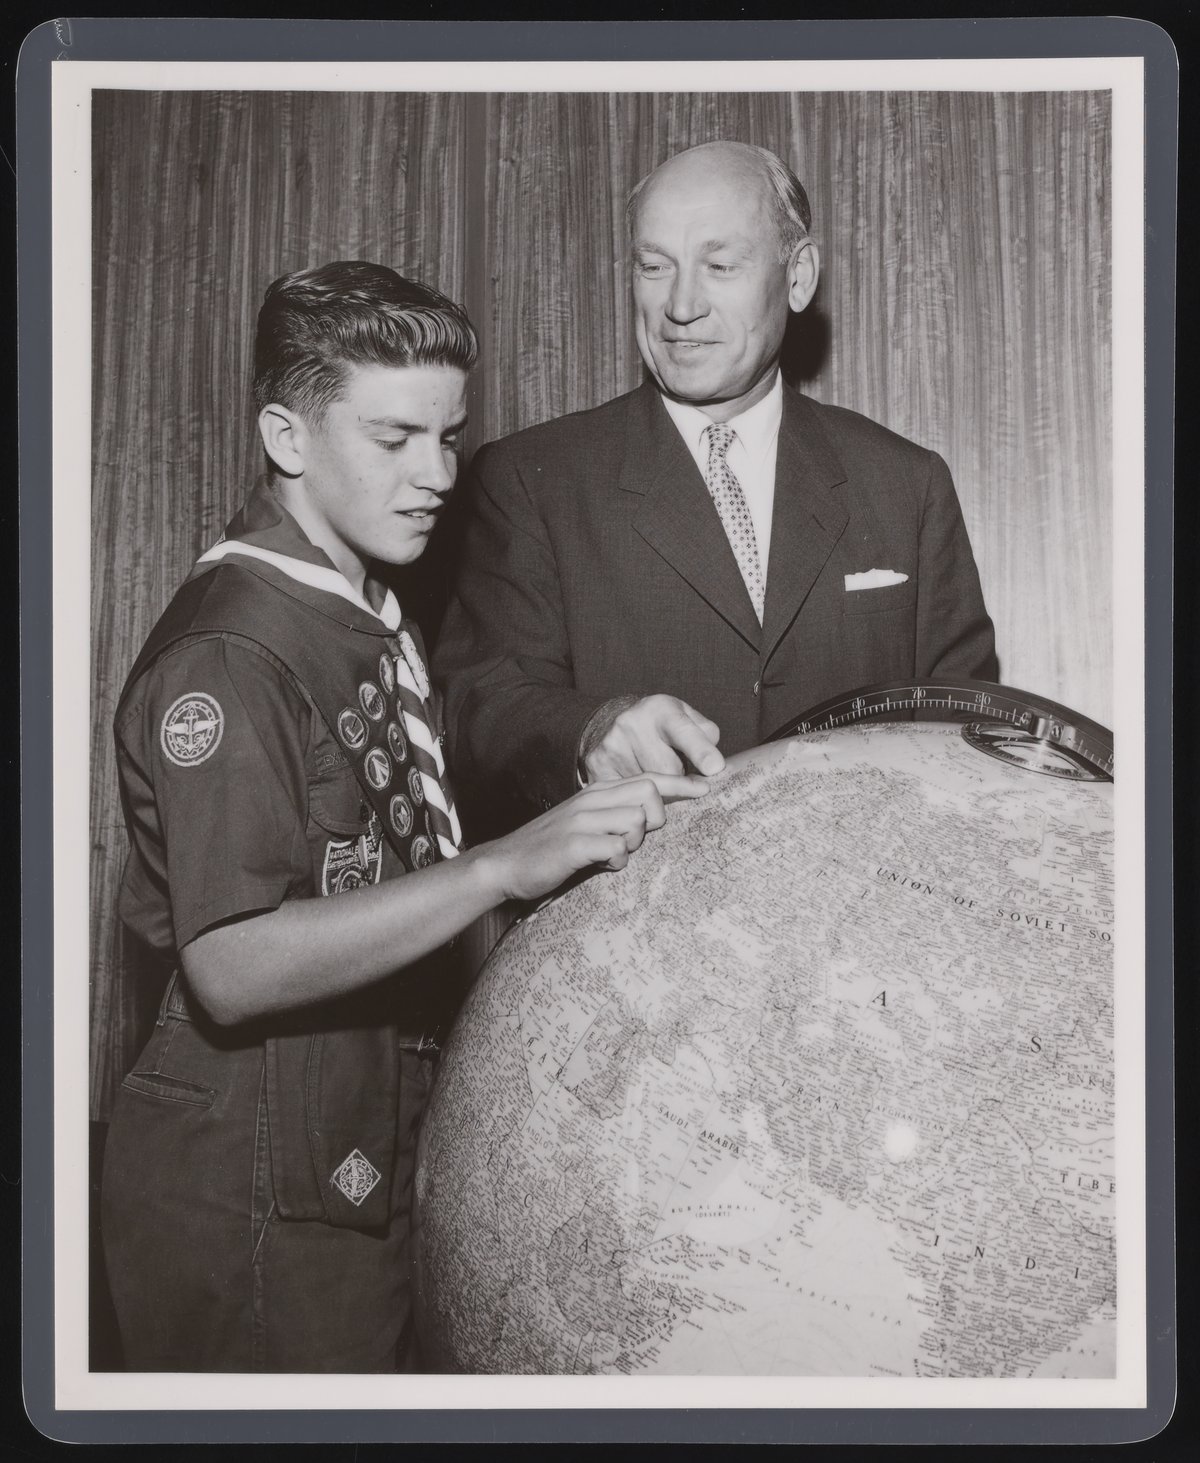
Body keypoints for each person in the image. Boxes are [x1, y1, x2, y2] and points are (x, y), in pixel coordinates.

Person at [100, 261, 707, 1373]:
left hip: (352, 1149)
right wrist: (496, 868)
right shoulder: (232, 649)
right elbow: (229, 962)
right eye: (393, 439)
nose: (435, 474)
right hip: (253, 1185)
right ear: (286, 437)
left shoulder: (365, 612)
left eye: (448, 436)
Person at [434, 141, 997, 832]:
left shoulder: (906, 484)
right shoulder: (530, 479)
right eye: (654, 266)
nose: (680, 305)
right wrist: (589, 732)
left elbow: (968, 742)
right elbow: (479, 706)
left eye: (720, 266)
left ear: (798, 277)